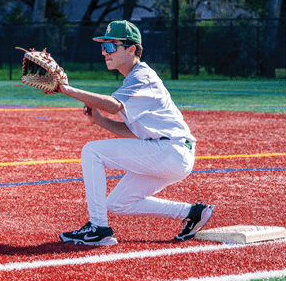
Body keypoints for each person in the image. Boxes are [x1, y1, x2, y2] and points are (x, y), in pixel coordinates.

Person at [56, 20, 215, 246]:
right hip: (169, 153)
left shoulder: (142, 77)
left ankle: (98, 227)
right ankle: (193, 213)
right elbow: (135, 133)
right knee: (119, 203)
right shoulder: (134, 79)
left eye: (111, 46)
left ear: (131, 49)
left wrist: (68, 90)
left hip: (170, 150)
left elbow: (112, 105)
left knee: (92, 151)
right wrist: (99, 121)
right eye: (103, 47)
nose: (104, 52)